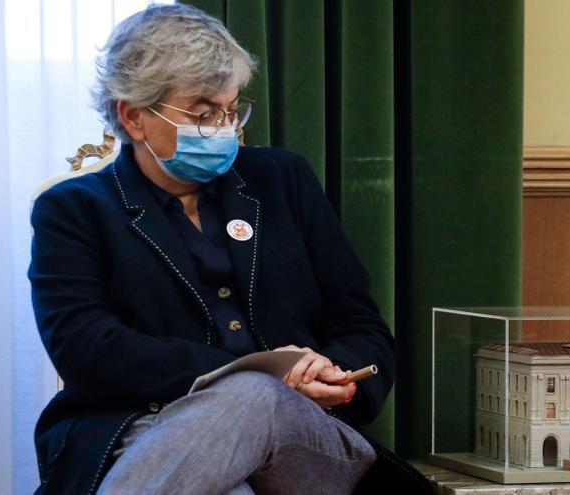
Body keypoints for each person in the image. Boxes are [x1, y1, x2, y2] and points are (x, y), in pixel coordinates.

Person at [29, 5, 426, 494]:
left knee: (257, 396)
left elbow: (360, 324)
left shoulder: (283, 181)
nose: (224, 128)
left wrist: (330, 374)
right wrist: (240, 374)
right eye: (202, 113)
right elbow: (85, 348)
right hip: (143, 430)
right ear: (134, 117)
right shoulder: (74, 209)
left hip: (304, 438)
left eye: (231, 110)